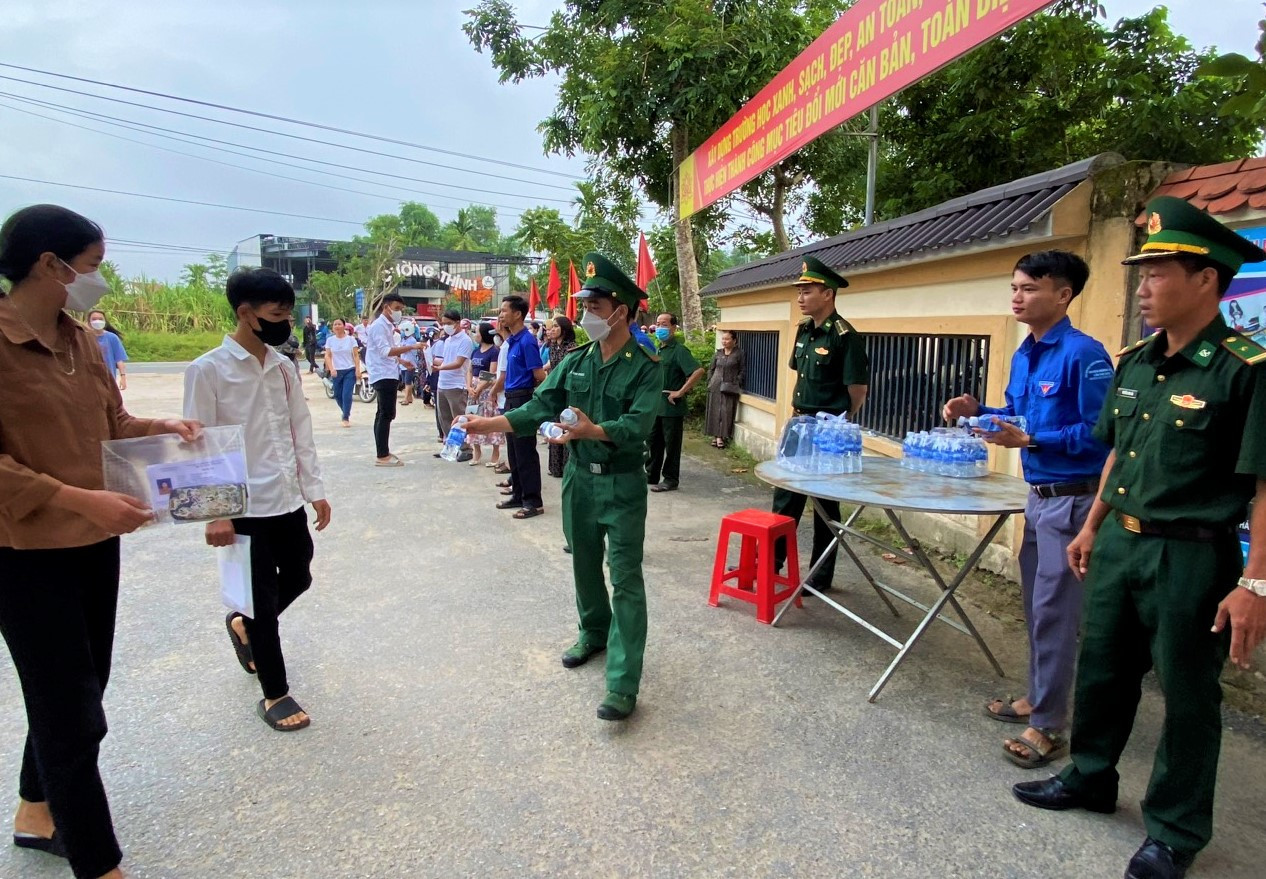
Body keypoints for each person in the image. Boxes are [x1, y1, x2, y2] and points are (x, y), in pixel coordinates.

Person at [1012, 197, 1266, 879]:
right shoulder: (1135, 362)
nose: (1143, 287)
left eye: (1157, 273)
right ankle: (1091, 776)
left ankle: (1176, 830)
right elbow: (1117, 455)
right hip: (1120, 541)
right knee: (1103, 669)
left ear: (1206, 279)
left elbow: (1265, 485)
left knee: (1187, 695)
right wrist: (1093, 525)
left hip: (1192, 554)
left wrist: (1255, 583)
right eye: (1142, 273)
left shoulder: (1244, 370)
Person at [0, 204, 200, 879]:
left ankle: (35, 809)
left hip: (93, 540)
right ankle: (98, 862)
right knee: (71, 712)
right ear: (48, 265)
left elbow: (111, 422)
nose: (100, 281)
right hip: (25, 553)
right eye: (92, 266)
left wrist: (158, 425)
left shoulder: (80, 340)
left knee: (81, 686)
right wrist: (77, 498)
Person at [458, 253, 662, 719]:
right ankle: (594, 632)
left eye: (594, 305)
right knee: (584, 565)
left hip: (622, 484)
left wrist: (593, 430)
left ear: (621, 310)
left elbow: (638, 425)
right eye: (584, 305)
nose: (586, 314)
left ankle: (622, 683)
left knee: (626, 578)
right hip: (579, 481)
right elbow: (539, 407)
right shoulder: (577, 360)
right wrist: (486, 423)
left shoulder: (646, 365)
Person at [941, 251, 1112, 769]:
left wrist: (1033, 439)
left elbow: (1103, 434)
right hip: (1037, 498)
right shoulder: (1026, 352)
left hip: (1074, 499)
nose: (1017, 297)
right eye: (1014, 287)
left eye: (1030, 288)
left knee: (1056, 613)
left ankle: (1050, 725)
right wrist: (980, 412)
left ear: (1063, 294)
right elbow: (1017, 415)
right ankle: (1039, 698)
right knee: (1038, 607)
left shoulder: (1085, 354)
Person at [184, 267, 331, 735]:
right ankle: (275, 692)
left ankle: (243, 626)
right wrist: (215, 513)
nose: (284, 323)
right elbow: (199, 444)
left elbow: (299, 431)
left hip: (285, 499)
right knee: (261, 603)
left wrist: (315, 490)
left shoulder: (283, 367)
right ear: (246, 313)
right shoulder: (208, 370)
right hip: (243, 506)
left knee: (300, 575)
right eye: (276, 314)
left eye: (288, 314)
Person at [772, 256, 870, 593]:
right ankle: (773, 564)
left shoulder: (845, 336)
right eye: (799, 291)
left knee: (825, 504)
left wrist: (840, 423)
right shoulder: (804, 331)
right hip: (799, 423)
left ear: (827, 294)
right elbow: (799, 373)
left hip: (828, 429)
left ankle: (820, 574)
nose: (800, 297)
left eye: (807, 291)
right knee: (785, 495)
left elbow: (857, 389)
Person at [495, 295, 547, 517]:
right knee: (514, 452)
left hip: (522, 399)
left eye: (504, 311)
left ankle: (533, 501)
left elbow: (539, 374)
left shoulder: (527, 341)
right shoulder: (512, 341)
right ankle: (518, 494)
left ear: (517, 314)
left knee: (525, 451)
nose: (500, 315)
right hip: (510, 399)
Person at [646, 313, 705, 492]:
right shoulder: (657, 349)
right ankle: (651, 475)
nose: (660, 328)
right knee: (652, 442)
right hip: (656, 405)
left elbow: (698, 371)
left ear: (673, 328)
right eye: (658, 324)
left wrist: (680, 392)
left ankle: (670, 479)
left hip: (672, 407)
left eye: (664, 324)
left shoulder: (679, 350)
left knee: (671, 445)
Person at [365, 293, 421, 467]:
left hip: (387, 371)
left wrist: (401, 361)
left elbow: (386, 351)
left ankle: (383, 451)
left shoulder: (387, 326)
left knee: (383, 413)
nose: (399, 312)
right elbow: (385, 351)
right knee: (386, 413)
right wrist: (412, 346)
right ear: (386, 307)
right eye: (396, 308)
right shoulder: (379, 326)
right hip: (383, 374)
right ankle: (382, 455)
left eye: (401, 309)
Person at [430, 310, 474, 461]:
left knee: (459, 418)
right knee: (444, 418)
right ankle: (450, 447)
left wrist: (441, 367)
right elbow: (446, 360)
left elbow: (459, 362)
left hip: (456, 384)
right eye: (443, 323)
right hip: (443, 383)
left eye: (448, 323)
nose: (446, 326)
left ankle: (466, 449)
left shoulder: (465, 340)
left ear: (457, 323)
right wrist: (432, 361)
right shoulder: (448, 340)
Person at [543, 316, 578, 478]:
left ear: (564, 329)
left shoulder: (572, 348)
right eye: (552, 327)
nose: (552, 330)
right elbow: (552, 365)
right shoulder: (552, 347)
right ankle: (555, 468)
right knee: (555, 426)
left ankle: (566, 467)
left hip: (568, 391)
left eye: (556, 326)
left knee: (566, 426)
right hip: (555, 391)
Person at [465, 322, 503, 468]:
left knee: (490, 419)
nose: (475, 334)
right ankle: (476, 451)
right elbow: (470, 370)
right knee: (472, 417)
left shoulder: (494, 352)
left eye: (477, 332)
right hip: (474, 389)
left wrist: (479, 388)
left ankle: (495, 453)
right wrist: (469, 386)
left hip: (487, 389)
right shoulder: (475, 351)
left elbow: (492, 374)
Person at [705, 330, 744, 448]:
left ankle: (721, 436)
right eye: (723, 339)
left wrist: (737, 381)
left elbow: (742, 370)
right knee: (714, 410)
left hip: (729, 386)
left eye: (727, 339)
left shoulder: (739, 354)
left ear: (734, 340)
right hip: (715, 385)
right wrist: (710, 381)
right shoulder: (718, 353)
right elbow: (711, 369)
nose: (724, 341)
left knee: (725, 411)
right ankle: (716, 436)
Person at [322, 317, 360, 426]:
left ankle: (345, 417)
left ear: (344, 326)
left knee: (346, 394)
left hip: (349, 370)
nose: (337, 326)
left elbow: (356, 355)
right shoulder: (330, 340)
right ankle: (345, 411)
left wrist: (357, 370)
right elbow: (328, 356)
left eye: (339, 324)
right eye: (335, 324)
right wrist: (331, 369)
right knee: (337, 395)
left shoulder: (351, 340)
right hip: (336, 371)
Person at [86, 309, 128, 391]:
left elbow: (119, 360)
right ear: (89, 322)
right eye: (94, 319)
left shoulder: (112, 338)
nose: (97, 321)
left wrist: (123, 377)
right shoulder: (84, 337)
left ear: (105, 321)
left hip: (108, 379)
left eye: (100, 319)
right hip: (89, 380)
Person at [397, 318, 419, 406]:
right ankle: (410, 398)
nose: (401, 332)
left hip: (410, 364)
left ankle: (406, 399)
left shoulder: (412, 340)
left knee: (407, 382)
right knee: (406, 382)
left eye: (403, 330)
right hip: (403, 364)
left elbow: (404, 350)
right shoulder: (403, 340)